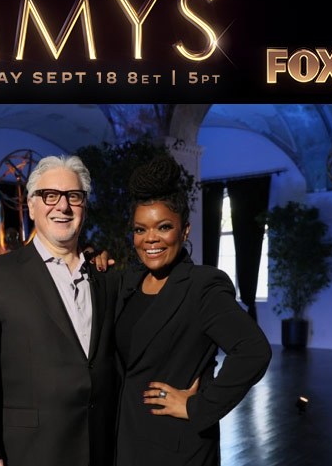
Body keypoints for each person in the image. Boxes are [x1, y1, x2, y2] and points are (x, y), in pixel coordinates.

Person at [0, 155, 119, 466]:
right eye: (50, 195)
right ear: (31, 205)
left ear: (85, 205)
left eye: (74, 196)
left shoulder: (106, 278)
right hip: (29, 451)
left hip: (101, 447)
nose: (63, 206)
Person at [115, 156, 272, 466]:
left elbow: (254, 351)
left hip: (177, 447)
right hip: (126, 440)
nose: (151, 239)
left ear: (184, 230)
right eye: (140, 229)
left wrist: (198, 406)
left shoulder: (202, 285)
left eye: (163, 227)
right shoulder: (127, 282)